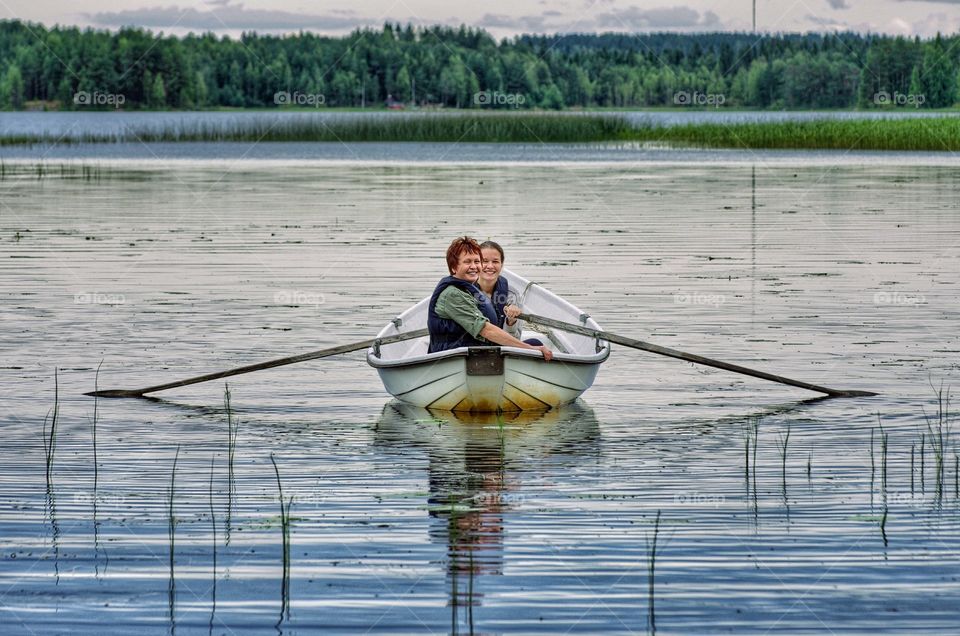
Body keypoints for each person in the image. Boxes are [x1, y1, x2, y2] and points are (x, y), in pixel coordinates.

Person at [428, 236, 553, 360]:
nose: (473, 266)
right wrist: (529, 349)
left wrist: (511, 321)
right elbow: (486, 330)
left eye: (477, 262)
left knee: (534, 342)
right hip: (454, 357)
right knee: (534, 346)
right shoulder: (453, 294)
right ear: (454, 267)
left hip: (472, 352)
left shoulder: (468, 290)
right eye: (467, 262)